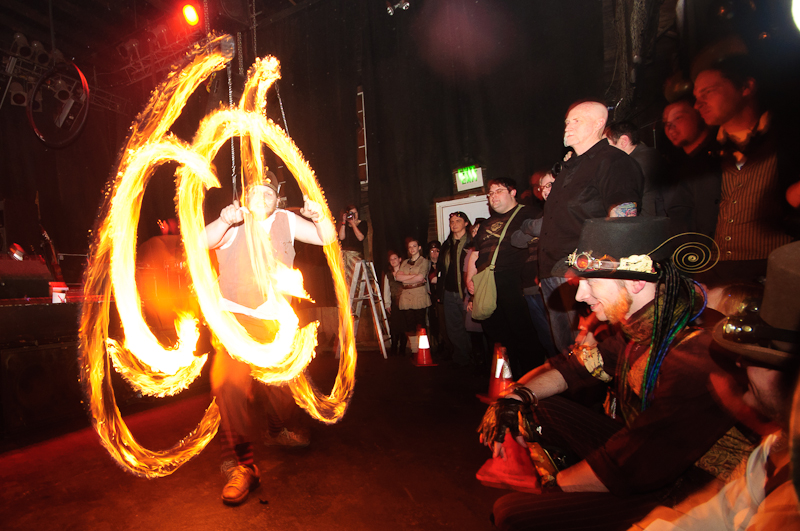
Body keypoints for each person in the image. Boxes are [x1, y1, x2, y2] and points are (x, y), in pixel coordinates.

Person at [480, 216, 738, 531]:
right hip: (645, 460)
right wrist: (515, 397)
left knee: (512, 514)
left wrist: (557, 492)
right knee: (535, 406)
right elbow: (573, 368)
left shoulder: (692, 353)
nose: (580, 296)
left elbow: (634, 464)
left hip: (695, 491)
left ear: (636, 282)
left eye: (591, 282)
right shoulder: (642, 326)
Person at [641, 240, 800, 530]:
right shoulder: (775, 446)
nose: (740, 364)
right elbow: (712, 516)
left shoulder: (792, 497)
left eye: (759, 358)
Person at [204, 171, 336, 506]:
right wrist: (222, 219)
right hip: (236, 325)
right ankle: (240, 465)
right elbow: (200, 242)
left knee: (284, 390)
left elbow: (328, 238)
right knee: (228, 388)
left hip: (275, 327)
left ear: (277, 198)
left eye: (268, 194)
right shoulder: (233, 223)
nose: (261, 199)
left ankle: (278, 429)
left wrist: (321, 217)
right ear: (244, 198)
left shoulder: (286, 221)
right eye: (255, 193)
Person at [538, 100, 644, 355]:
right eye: (567, 121)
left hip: (586, 276)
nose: (568, 126)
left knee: (591, 351)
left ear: (599, 124)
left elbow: (623, 220)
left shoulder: (612, 161)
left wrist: (604, 277)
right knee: (565, 352)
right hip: (553, 272)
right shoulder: (567, 167)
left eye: (577, 120)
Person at [693, 56, 798, 284]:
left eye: (708, 92)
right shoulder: (704, 156)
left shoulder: (789, 138)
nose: (697, 104)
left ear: (746, 87)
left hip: (778, 269)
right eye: (696, 97)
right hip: (716, 270)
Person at [466, 178, 544, 378]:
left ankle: (529, 384)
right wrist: (472, 281)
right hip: (488, 284)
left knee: (524, 337)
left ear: (513, 192)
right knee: (497, 338)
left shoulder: (529, 213)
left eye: (498, 191)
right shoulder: (486, 224)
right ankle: (506, 384)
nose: (493, 196)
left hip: (516, 282)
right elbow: (477, 255)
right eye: (490, 194)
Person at [659, 98, 722, 237]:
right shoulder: (680, 165)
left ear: (700, 116)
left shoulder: (720, 158)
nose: (670, 127)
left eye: (678, 118)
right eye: (666, 123)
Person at [605, 120, 665, 216]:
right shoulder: (648, 153)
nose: (604, 150)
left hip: (645, 222)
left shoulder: (631, 164)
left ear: (624, 141)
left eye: (607, 143)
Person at [440, 211, 473, 367]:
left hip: (467, 293)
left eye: (458, 221)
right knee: (453, 327)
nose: (454, 224)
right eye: (452, 221)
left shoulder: (471, 243)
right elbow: (441, 269)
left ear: (466, 223)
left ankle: (475, 358)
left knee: (470, 326)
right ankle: (461, 357)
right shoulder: (447, 245)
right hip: (449, 293)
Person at [394, 238, 430, 355]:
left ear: (419, 247)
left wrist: (408, 277)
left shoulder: (424, 261)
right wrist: (413, 277)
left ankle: (422, 349)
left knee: (420, 323)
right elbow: (398, 277)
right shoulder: (404, 262)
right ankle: (414, 350)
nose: (412, 249)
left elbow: (421, 277)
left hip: (419, 294)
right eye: (410, 247)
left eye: (414, 246)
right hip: (406, 295)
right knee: (410, 325)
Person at [382, 250, 406, 356]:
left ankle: (402, 348)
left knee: (404, 325)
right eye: (391, 259)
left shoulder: (406, 272)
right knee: (395, 326)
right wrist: (387, 304)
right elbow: (386, 290)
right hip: (394, 302)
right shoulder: (388, 275)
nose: (393, 261)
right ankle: (394, 346)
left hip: (405, 302)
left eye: (395, 258)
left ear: (400, 259)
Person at [426, 240, 448, 357]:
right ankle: (437, 345)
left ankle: (445, 345)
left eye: (437, 251)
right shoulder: (426, 266)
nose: (434, 254)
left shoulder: (443, 265)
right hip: (431, 299)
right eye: (432, 251)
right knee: (433, 323)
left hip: (441, 298)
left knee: (444, 323)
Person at [338, 204, 366, 287]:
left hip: (355, 255)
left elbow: (360, 238)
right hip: (344, 255)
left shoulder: (362, 224)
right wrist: (343, 222)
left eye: (355, 213)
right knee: (344, 280)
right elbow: (341, 237)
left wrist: (353, 224)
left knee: (355, 280)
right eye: (351, 213)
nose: (354, 215)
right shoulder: (345, 225)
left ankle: (355, 297)